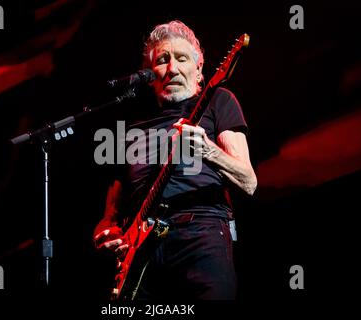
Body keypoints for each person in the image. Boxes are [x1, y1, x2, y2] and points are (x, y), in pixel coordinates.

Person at [93, 20, 257, 300]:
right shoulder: (131, 129)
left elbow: (249, 182)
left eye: (182, 59)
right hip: (140, 256)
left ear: (200, 69)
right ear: (150, 73)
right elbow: (110, 215)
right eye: (163, 60)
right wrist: (107, 233)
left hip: (200, 234)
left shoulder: (219, 101)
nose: (172, 69)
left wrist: (208, 151)